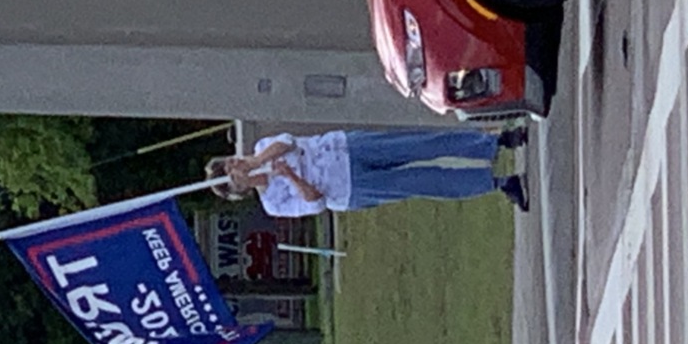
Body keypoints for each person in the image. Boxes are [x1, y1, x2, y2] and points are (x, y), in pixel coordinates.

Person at [205, 126, 530, 217]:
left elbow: (287, 142)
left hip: (346, 148)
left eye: (230, 161)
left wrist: (256, 162)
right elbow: (315, 203)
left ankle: (495, 141)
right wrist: (291, 178)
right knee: (420, 181)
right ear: (238, 190)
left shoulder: (263, 147)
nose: (235, 166)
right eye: (231, 174)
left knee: (420, 145)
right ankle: (499, 183)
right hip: (351, 188)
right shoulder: (273, 204)